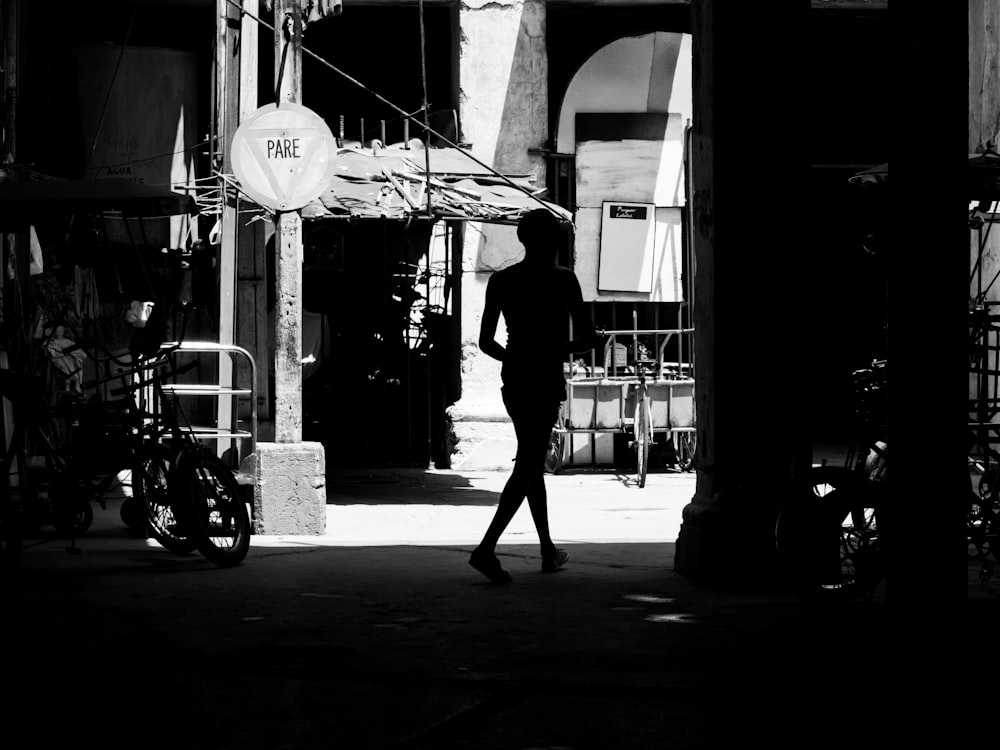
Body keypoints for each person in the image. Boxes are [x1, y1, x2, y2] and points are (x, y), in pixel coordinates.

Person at [469, 208, 601, 583]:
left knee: (531, 459)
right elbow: (588, 339)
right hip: (544, 379)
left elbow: (485, 342)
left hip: (515, 378)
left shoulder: (502, 280)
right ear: (551, 241)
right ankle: (486, 549)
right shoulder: (564, 280)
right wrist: (556, 349)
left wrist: (519, 354)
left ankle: (547, 549)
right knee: (528, 464)